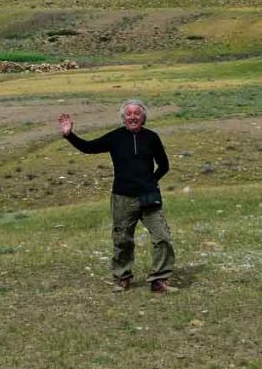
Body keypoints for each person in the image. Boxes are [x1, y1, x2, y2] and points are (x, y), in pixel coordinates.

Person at [58, 99, 175, 293]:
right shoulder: (115, 137)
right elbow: (89, 147)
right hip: (122, 198)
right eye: (128, 114)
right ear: (123, 118)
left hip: (148, 197)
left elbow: (164, 165)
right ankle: (122, 278)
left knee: (162, 237)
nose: (132, 117)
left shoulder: (152, 137)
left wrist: (151, 182)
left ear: (143, 117)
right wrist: (69, 135)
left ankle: (159, 280)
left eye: (136, 113)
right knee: (122, 240)